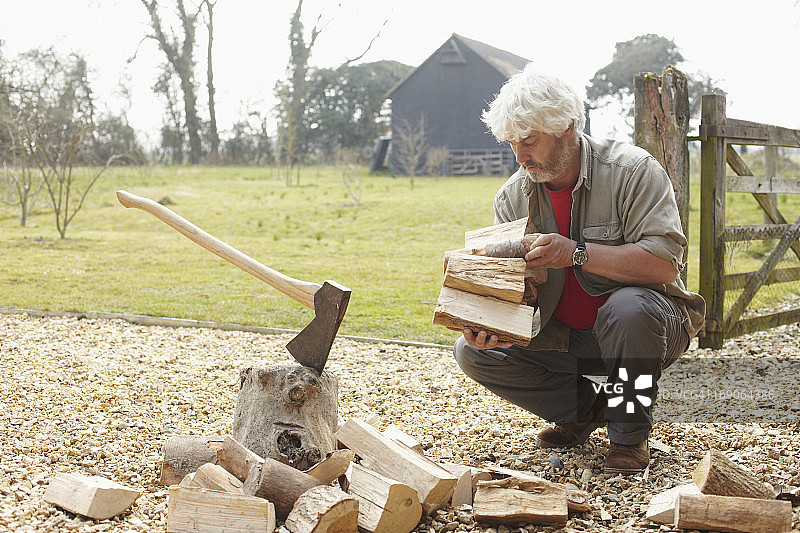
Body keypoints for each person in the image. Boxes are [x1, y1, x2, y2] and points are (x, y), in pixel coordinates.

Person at [452, 65, 705, 474]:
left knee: (629, 310)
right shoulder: (511, 197)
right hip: (561, 337)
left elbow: (662, 264)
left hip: (645, 330)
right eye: (512, 143)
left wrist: (577, 253)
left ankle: (629, 437)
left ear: (567, 127)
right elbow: (509, 288)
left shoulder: (633, 170)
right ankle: (586, 411)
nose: (519, 156)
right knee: (472, 353)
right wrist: (487, 322)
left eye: (529, 141)